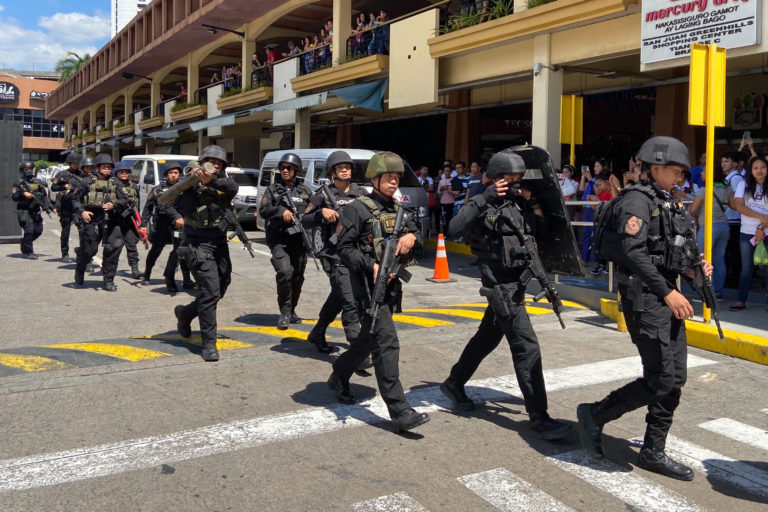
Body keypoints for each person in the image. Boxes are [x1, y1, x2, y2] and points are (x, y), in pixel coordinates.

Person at [576, 136, 713, 482]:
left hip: (667, 297)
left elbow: (668, 251)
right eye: (675, 172)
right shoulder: (636, 201)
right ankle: (595, 414)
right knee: (661, 378)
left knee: (675, 379)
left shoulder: (668, 202)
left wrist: (694, 270)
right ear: (656, 168)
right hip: (646, 300)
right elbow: (634, 253)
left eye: (683, 173)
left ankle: (653, 449)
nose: (680, 179)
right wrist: (669, 292)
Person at [439, 149, 570, 441]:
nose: (512, 184)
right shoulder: (483, 203)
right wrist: (485, 196)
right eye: (507, 179)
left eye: (517, 179)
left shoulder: (517, 205)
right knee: (527, 347)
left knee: (486, 338)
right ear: (495, 178)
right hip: (500, 286)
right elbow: (454, 227)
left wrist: (532, 202)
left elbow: (540, 233)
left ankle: (454, 382)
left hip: (516, 283)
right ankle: (539, 417)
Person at [327, 151, 430, 434]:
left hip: (390, 287)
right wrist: (370, 265)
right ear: (375, 179)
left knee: (366, 342)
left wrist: (411, 236)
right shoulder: (357, 209)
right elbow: (343, 249)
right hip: (364, 286)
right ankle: (400, 411)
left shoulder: (398, 210)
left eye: (397, 178)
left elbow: (418, 240)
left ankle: (338, 376)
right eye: (388, 177)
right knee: (387, 342)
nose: (394, 182)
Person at [173, 146, 238, 362]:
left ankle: (186, 313)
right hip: (198, 244)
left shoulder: (224, 184)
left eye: (218, 163)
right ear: (202, 163)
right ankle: (208, 343)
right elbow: (182, 205)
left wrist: (212, 181)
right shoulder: (190, 185)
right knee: (209, 292)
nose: (214, 165)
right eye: (210, 162)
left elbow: (232, 188)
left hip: (219, 243)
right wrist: (192, 183)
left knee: (221, 285)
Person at [302, 151, 367, 354]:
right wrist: (321, 213)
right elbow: (304, 219)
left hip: (356, 252)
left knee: (340, 295)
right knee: (349, 300)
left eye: (347, 167)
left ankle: (318, 332)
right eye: (340, 167)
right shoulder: (322, 194)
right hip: (333, 253)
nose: (345, 170)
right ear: (333, 172)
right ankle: (357, 352)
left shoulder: (361, 193)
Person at [259, 153, 313, 329]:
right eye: (282, 168)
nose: (284, 171)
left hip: (299, 238)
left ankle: (291, 309)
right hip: (279, 238)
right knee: (285, 272)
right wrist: (280, 211)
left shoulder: (305, 191)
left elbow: (313, 211)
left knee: (297, 277)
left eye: (288, 168)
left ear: (296, 170)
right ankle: (284, 311)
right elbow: (263, 211)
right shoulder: (273, 189)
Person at [141, 161, 194, 293]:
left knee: (180, 250)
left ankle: (186, 279)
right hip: (162, 224)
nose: (174, 175)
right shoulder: (158, 189)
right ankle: (147, 274)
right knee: (156, 250)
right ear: (166, 175)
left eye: (176, 173)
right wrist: (143, 224)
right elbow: (148, 208)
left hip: (177, 224)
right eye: (171, 173)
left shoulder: (183, 188)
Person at [729, 156, 768, 311]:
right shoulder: (743, 185)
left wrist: (761, 227)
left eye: (763, 167)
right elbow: (740, 207)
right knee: (746, 268)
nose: (759, 171)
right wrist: (761, 218)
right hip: (747, 232)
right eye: (755, 168)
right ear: (750, 170)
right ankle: (741, 300)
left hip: (766, 231)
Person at [71, 154, 115, 287]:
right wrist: (82, 212)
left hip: (109, 220)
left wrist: (115, 205)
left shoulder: (114, 182)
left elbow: (124, 198)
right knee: (91, 250)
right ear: (98, 168)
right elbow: (74, 199)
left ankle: (108, 280)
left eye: (109, 167)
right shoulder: (87, 182)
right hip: (91, 219)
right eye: (104, 167)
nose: (107, 169)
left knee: (111, 249)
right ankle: (80, 269)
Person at [689, 163, 730, 298]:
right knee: (719, 259)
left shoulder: (703, 190)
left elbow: (692, 209)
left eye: (704, 171)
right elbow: (734, 206)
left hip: (708, 227)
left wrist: (696, 218)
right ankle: (718, 292)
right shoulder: (726, 189)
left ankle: (704, 292)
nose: (701, 174)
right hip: (724, 226)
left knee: (701, 259)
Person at [99, 161, 142, 292]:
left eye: (126, 172)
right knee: (112, 248)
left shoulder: (134, 186)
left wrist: (140, 221)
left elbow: (137, 204)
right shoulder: (110, 185)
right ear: (116, 173)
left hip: (129, 220)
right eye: (121, 172)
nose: (124, 174)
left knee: (132, 245)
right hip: (114, 221)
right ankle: (107, 273)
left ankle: (134, 269)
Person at [11, 161, 52, 259]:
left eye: (30, 169)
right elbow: (14, 197)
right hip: (24, 210)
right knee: (29, 230)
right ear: (22, 170)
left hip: (35, 210)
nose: (29, 171)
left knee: (38, 230)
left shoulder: (37, 182)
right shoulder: (18, 182)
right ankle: (29, 252)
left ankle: (25, 242)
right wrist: (22, 194)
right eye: (26, 169)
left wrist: (51, 207)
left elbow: (44, 197)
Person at [50, 152, 83, 262]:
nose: (77, 165)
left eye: (78, 163)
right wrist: (64, 186)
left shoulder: (82, 174)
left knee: (82, 231)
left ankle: (82, 252)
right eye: (75, 163)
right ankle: (65, 254)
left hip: (78, 206)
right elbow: (54, 188)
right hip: (66, 206)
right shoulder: (62, 174)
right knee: (65, 231)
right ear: (70, 163)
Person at [722, 151, 745, 288]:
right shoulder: (728, 178)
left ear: (735, 164)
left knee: (734, 252)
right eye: (722, 162)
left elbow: (738, 200)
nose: (723, 164)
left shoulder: (735, 179)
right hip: (729, 220)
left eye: (726, 161)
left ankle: (735, 279)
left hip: (734, 220)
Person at [438, 166, 455, 234]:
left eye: (448, 171)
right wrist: (442, 189)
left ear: (451, 172)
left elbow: (456, 190)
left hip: (452, 202)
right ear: (443, 172)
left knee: (451, 218)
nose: (447, 172)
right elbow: (438, 192)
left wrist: (449, 188)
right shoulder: (441, 181)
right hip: (443, 202)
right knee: (444, 219)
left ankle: (451, 233)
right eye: (446, 171)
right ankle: (445, 233)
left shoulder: (453, 180)